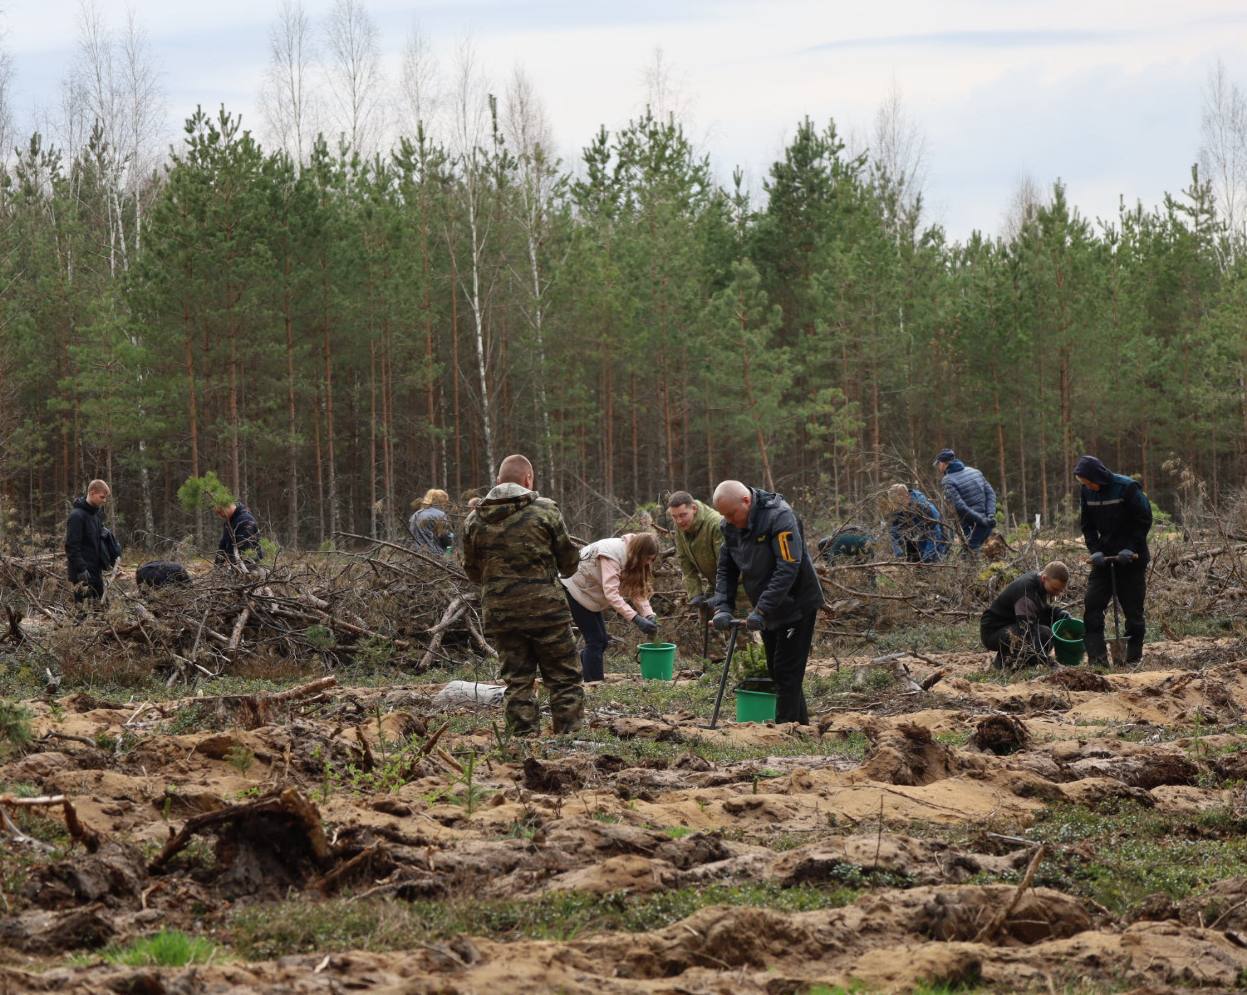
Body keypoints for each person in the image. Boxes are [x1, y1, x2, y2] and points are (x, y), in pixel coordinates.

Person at [463, 454, 584, 736]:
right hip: (547, 612)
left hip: (502, 614)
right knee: (564, 678)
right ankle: (569, 740)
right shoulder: (545, 511)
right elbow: (569, 562)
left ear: (497, 481)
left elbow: (472, 571)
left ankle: (522, 742)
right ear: (528, 479)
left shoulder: (474, 520)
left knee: (517, 681)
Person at [710, 480, 824, 725]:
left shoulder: (779, 517)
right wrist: (722, 606)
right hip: (769, 606)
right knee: (778, 670)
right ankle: (801, 728)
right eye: (724, 515)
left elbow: (788, 567)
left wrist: (762, 609)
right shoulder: (729, 527)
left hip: (796, 603)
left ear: (746, 501)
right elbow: (726, 569)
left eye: (731, 514)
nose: (728, 520)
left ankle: (786, 731)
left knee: (786, 671)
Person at [1075, 455, 1153, 666]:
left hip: (1131, 558)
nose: (1088, 486)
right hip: (1104, 558)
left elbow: (1144, 519)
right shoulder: (1086, 491)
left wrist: (1131, 547)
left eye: (1089, 481)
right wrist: (1095, 550)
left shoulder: (1126, 488)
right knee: (1092, 605)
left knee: (1133, 610)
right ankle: (1098, 661)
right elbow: (1087, 525)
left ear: (1098, 475)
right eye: (1084, 483)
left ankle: (1132, 660)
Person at [562, 533, 659, 682]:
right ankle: (594, 686)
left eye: (651, 560)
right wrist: (636, 619)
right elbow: (611, 594)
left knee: (601, 641)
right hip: (575, 589)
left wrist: (648, 615)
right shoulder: (612, 554)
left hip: (589, 593)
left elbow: (638, 591)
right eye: (647, 559)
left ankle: (575, 674)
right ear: (639, 552)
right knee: (595, 641)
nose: (648, 563)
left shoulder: (634, 558)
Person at [980, 561, 1071, 668]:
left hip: (1010, 624)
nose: (1057, 593)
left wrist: (1059, 614)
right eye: (1055, 589)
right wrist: (1048, 662)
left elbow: (1041, 610)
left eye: (1060, 590)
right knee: (1044, 634)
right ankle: (1006, 662)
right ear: (1044, 578)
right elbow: (1027, 631)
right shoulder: (1026, 592)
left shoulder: (1038, 582)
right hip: (992, 632)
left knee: (1045, 630)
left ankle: (1009, 657)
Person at [667, 491, 724, 609]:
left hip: (737, 585)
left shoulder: (716, 524)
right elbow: (684, 560)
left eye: (683, 515)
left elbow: (726, 564)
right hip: (714, 583)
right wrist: (695, 593)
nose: (679, 521)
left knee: (734, 623)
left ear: (694, 508)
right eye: (674, 516)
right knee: (705, 619)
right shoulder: (679, 526)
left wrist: (722, 594)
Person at [65, 479, 119, 603]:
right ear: (92, 492)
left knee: (101, 610)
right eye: (102, 497)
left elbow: (97, 544)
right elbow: (71, 546)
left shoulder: (96, 515)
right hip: (81, 574)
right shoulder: (76, 516)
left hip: (95, 571)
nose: (104, 501)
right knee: (82, 613)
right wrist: (82, 569)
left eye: (106, 498)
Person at [934, 449, 997, 551]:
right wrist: (990, 515)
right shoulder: (975, 471)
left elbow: (960, 507)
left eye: (938, 464)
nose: (938, 467)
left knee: (970, 553)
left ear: (942, 463)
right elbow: (991, 494)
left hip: (975, 524)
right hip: (986, 522)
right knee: (970, 552)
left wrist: (983, 520)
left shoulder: (948, 480)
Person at [885, 483, 949, 563]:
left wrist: (927, 557)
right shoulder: (899, 510)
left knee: (932, 565)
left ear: (906, 496)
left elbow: (935, 533)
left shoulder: (924, 507)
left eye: (898, 503)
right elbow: (894, 532)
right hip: (915, 543)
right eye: (894, 503)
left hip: (936, 543)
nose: (897, 507)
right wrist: (898, 552)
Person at [214, 500, 262, 568]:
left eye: (220, 512)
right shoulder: (229, 522)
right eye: (217, 513)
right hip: (236, 566)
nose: (220, 515)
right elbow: (223, 547)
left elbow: (246, 550)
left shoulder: (245, 520)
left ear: (228, 506)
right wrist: (217, 567)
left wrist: (240, 570)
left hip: (251, 567)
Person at [409, 488, 455, 556]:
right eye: (445, 501)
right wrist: (449, 555)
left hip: (415, 554)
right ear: (441, 501)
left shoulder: (415, 515)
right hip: (434, 555)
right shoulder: (441, 515)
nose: (446, 505)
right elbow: (447, 539)